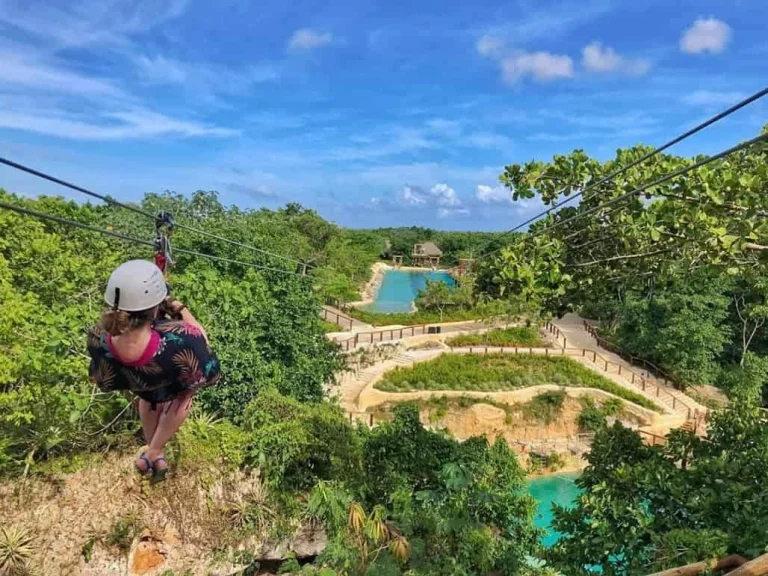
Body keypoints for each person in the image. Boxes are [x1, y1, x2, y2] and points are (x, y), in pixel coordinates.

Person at [87, 260, 220, 484]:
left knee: (148, 398)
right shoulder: (176, 340)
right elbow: (201, 337)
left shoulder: (96, 336)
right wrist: (174, 304)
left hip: (140, 384)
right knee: (184, 397)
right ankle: (154, 451)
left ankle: (155, 455)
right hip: (169, 381)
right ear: (154, 307)